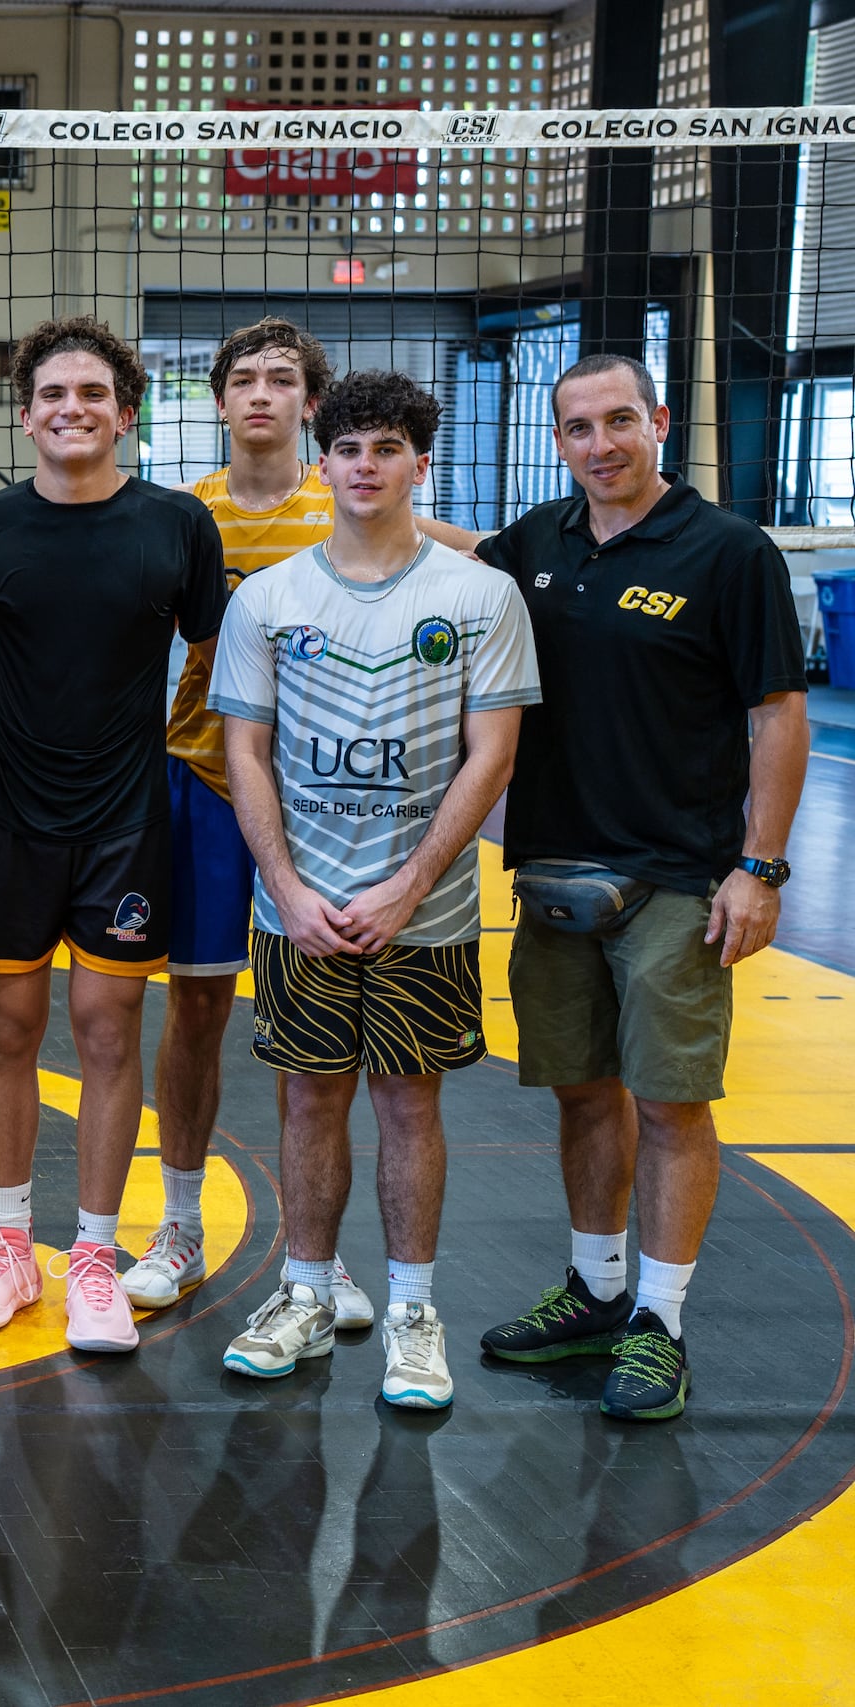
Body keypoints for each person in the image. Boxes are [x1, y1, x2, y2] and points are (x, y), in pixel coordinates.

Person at [452, 354, 810, 1422]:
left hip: (676, 879)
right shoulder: (540, 544)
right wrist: (339, 495)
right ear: (556, 439)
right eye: (576, 428)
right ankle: (596, 1291)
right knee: (579, 1090)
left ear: (655, 422)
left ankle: (659, 1321)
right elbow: (451, 550)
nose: (599, 444)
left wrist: (757, 867)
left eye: (618, 422)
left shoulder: (728, 552)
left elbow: (775, 715)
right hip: (557, 875)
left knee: (667, 1101)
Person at [209, 371, 538, 1410]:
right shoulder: (267, 598)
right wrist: (287, 888)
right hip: (296, 912)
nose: (364, 465)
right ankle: (304, 1294)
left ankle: (409, 1311)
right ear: (323, 462)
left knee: (407, 1103)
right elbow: (245, 754)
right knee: (308, 1097)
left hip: (426, 913)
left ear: (418, 465)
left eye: (387, 447)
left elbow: (490, 759)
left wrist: (406, 885)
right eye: (348, 448)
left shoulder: (477, 594)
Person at [0, 316, 227, 1354]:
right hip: (6, 815)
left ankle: (91, 1256)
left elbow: (214, 651)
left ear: (124, 413)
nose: (72, 409)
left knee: (105, 1031)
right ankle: (9, 1248)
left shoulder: (178, 525)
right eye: (53, 394)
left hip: (124, 817)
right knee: (7, 1035)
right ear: (25, 415)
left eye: (92, 394)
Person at [126, 316, 375, 1331]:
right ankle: (178, 1225)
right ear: (220, 401)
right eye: (244, 379)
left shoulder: (350, 504)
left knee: (317, 1037)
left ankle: (317, 1252)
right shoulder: (186, 517)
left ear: (310, 404)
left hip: (319, 799)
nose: (262, 392)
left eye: (282, 378)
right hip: (199, 783)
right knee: (195, 1009)